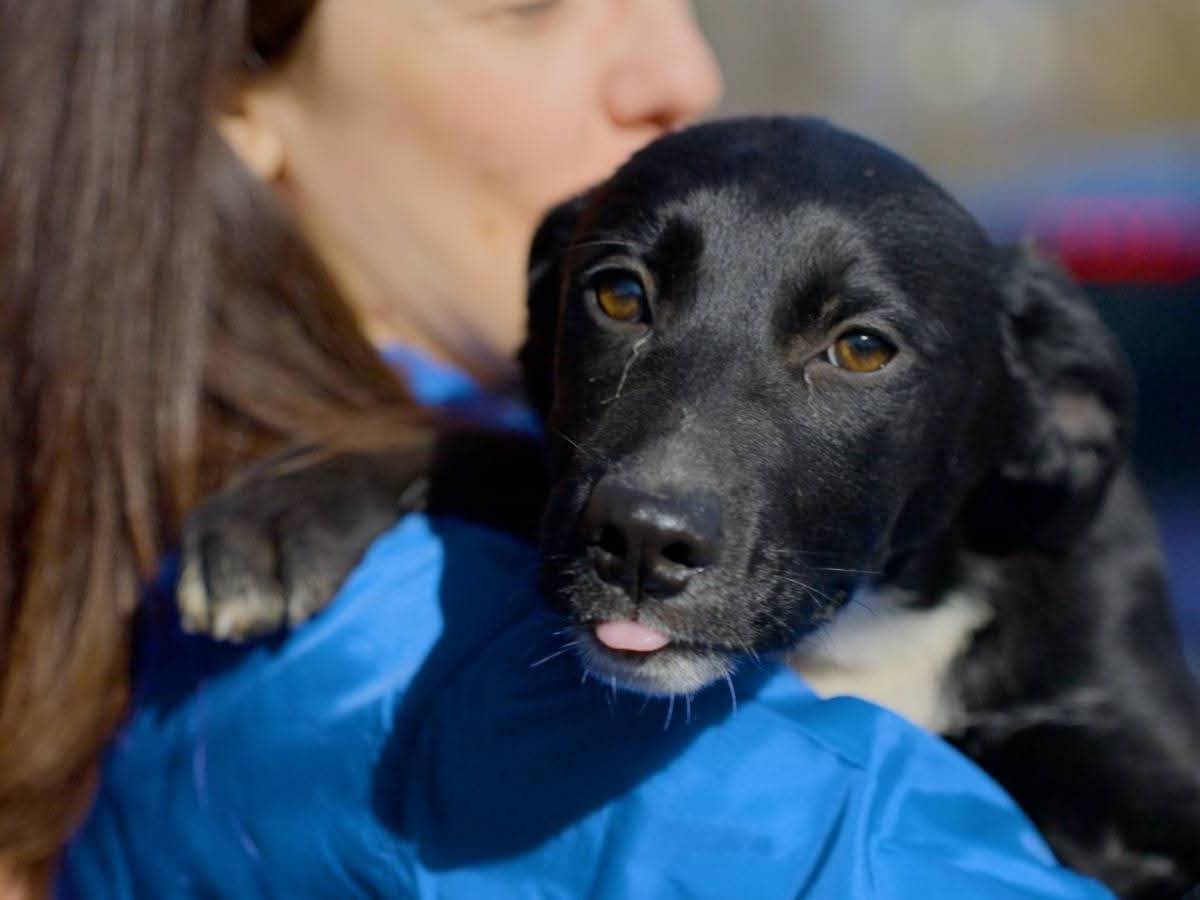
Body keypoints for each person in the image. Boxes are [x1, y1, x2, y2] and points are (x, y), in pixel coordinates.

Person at [1, 2, 1108, 897]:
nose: (683, 66)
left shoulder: (155, 503)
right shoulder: (431, 657)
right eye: (528, 7)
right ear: (236, 86)